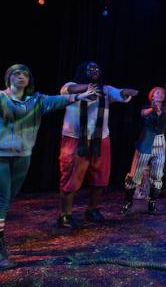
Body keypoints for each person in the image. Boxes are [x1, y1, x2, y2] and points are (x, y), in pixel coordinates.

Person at [0, 64, 94, 269]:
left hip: (23, 157)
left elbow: (60, 100)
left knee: (6, 201)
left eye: (25, 73)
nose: (21, 76)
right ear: (8, 78)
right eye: (16, 73)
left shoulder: (37, 101)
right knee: (2, 200)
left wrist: (80, 96)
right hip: (1, 157)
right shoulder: (1, 98)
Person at [58, 61, 138, 228]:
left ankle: (92, 209)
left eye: (97, 69)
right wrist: (89, 88)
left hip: (100, 138)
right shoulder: (71, 85)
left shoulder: (105, 90)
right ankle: (65, 215)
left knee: (100, 177)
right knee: (71, 177)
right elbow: (69, 90)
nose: (94, 71)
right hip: (76, 138)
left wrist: (125, 92)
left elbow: (119, 94)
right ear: (82, 71)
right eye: (90, 69)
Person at [121, 87, 166, 214]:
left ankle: (152, 203)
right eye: (157, 93)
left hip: (160, 143)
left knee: (157, 174)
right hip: (145, 144)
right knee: (135, 175)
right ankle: (127, 202)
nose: (160, 94)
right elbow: (143, 114)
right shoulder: (146, 108)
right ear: (152, 96)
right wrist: (152, 109)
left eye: (162, 93)